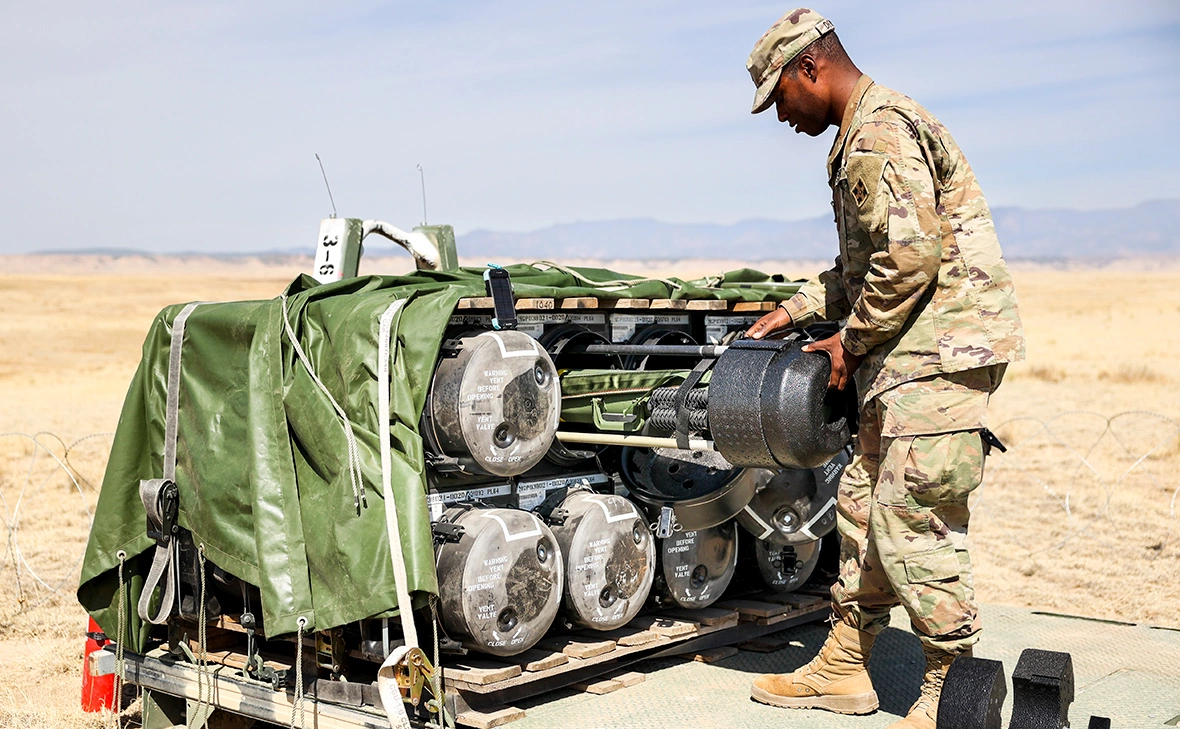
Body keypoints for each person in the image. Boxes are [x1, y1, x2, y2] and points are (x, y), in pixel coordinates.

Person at [741, 9, 1025, 728]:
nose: (779, 116)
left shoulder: (878, 132)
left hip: (937, 355)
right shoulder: (859, 134)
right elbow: (865, 263)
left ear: (811, 67)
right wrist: (800, 309)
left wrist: (850, 341)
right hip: (907, 356)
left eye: (779, 95)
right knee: (865, 508)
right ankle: (844, 663)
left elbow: (911, 258)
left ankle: (953, 690)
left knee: (912, 515)